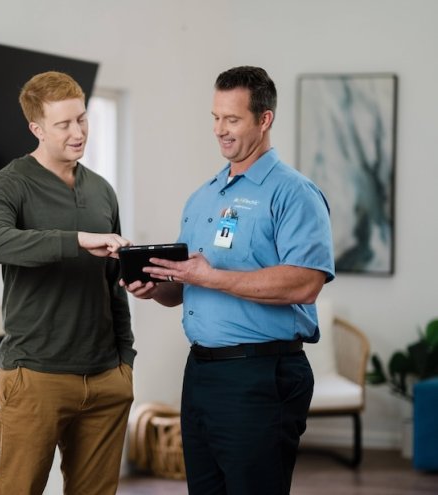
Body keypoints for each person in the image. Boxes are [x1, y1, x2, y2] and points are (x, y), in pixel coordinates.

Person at [123, 66, 335, 494]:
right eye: (215, 117)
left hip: (261, 374)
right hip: (201, 373)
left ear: (264, 119)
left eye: (232, 119)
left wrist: (213, 277)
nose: (220, 129)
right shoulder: (203, 196)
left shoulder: (293, 193)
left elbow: (305, 283)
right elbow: (185, 287)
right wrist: (154, 287)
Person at [0, 71, 136, 495]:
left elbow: (113, 282)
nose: (78, 132)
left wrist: (125, 361)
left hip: (105, 376)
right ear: (37, 129)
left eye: (82, 119)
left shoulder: (102, 191)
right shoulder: (10, 184)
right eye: (64, 124)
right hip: (36, 377)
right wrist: (77, 241)